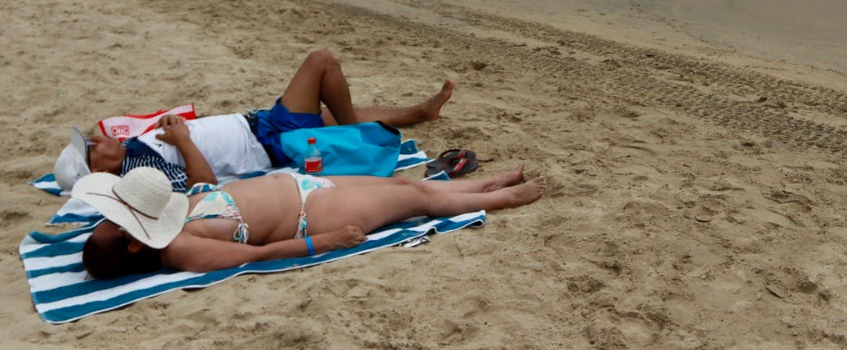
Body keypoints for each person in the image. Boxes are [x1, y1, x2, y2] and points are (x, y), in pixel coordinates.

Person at [54, 49, 456, 193]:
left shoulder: (131, 152)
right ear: (98, 172)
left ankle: (420, 113)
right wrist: (183, 139)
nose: (96, 138)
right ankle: (358, 136)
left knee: (328, 115)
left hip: (259, 125)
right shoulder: (141, 174)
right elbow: (201, 187)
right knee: (321, 62)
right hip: (268, 143)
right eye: (91, 147)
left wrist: (175, 129)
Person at [78, 163, 547, 277]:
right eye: (116, 223)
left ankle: (482, 185)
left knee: (406, 184)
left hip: (299, 183)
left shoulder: (163, 215)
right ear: (135, 243)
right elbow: (258, 255)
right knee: (416, 198)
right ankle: (503, 198)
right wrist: (326, 241)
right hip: (310, 214)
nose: (116, 218)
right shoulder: (182, 249)